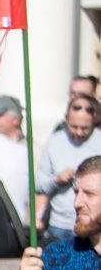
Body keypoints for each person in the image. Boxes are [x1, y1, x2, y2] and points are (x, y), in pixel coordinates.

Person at [35, 95, 101, 240]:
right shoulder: (54, 141)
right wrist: (57, 180)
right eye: (74, 126)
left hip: (94, 225)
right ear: (65, 118)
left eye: (85, 128)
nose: (79, 132)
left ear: (94, 119)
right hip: (60, 225)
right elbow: (38, 185)